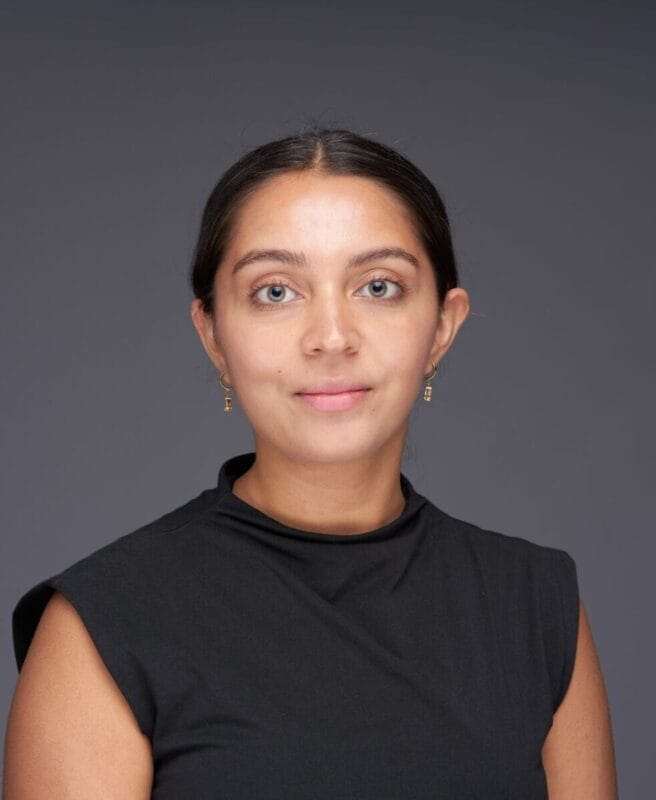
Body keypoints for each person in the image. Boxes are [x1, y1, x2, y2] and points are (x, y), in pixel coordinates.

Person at [4, 126, 618, 798]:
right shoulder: (103, 623)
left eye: (379, 286)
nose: (331, 337)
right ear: (212, 334)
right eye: (276, 291)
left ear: (443, 324)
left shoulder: (534, 604)